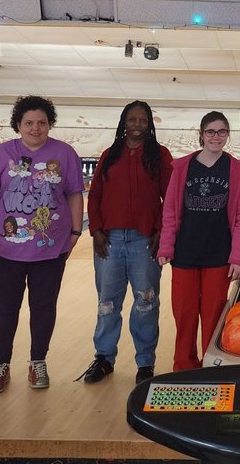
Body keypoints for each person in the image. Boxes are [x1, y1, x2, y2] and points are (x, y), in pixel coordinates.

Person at [0, 95, 84, 394]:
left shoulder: (65, 153)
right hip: (6, 248)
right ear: (18, 125)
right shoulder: (1, 153)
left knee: (44, 308)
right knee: (5, 309)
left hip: (51, 247)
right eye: (29, 123)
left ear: (49, 124)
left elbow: (75, 193)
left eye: (42, 123)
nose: (36, 128)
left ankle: (38, 362)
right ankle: (1, 365)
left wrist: (75, 232)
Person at [78, 101, 173, 385]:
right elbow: (94, 196)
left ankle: (145, 364)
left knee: (146, 303)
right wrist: (95, 230)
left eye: (143, 120)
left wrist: (160, 231)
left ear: (149, 124)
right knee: (107, 303)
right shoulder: (110, 155)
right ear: (123, 122)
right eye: (132, 119)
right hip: (111, 240)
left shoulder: (160, 155)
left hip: (144, 240)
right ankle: (104, 358)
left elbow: (170, 199)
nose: (137, 124)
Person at [157, 111, 240, 372]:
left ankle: (212, 366)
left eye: (222, 131)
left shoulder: (235, 170)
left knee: (213, 317)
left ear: (228, 135)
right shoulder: (182, 167)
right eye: (211, 131)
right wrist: (166, 246)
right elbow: (170, 211)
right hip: (185, 254)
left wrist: (238, 257)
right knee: (185, 315)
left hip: (218, 255)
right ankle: (184, 367)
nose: (216, 136)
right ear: (201, 134)